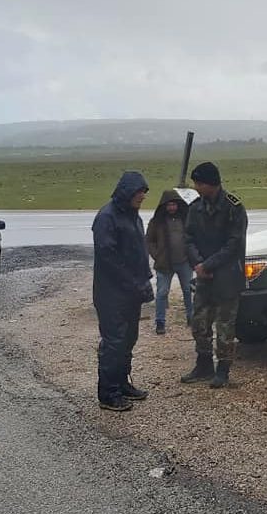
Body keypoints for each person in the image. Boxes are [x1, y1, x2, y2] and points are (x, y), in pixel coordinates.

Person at [180, 162, 248, 389]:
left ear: (212, 183)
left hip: (227, 277)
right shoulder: (195, 208)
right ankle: (203, 364)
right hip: (203, 276)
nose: (196, 187)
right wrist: (198, 264)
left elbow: (234, 244)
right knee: (199, 322)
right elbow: (188, 238)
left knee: (225, 327)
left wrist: (209, 265)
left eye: (199, 183)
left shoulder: (233, 208)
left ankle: (223, 370)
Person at [92, 172, 154, 411]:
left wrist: (145, 280)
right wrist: (133, 282)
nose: (142, 197)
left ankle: (122, 382)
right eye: (139, 193)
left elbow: (139, 252)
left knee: (129, 339)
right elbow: (108, 258)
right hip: (111, 293)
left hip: (131, 292)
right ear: (127, 192)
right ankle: (108, 393)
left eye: (144, 193)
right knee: (114, 342)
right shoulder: (106, 217)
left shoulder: (133, 216)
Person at [146, 190, 193, 335]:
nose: (172, 207)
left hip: (184, 262)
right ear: (164, 206)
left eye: (174, 204)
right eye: (169, 205)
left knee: (188, 291)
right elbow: (149, 241)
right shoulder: (156, 222)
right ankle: (160, 322)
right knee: (162, 293)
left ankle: (191, 318)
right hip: (164, 264)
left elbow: (194, 237)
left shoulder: (186, 219)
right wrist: (157, 255)